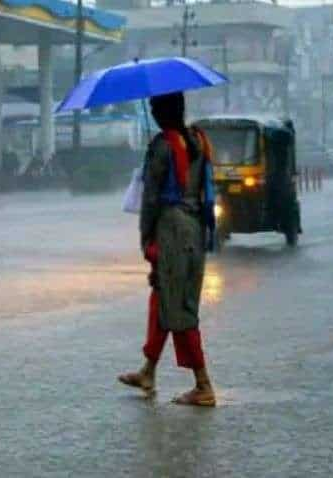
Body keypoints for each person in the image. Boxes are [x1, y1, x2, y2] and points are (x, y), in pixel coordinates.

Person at [118, 92, 216, 407]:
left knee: (179, 307)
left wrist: (146, 238)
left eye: (154, 108)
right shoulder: (200, 140)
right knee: (164, 298)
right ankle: (148, 370)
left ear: (161, 112)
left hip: (171, 230)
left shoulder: (162, 147)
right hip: (195, 229)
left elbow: (150, 199)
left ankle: (203, 384)